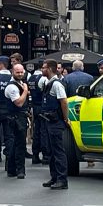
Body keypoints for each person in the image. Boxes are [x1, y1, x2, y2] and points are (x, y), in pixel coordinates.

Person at [39, 61, 71, 190]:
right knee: (51, 151)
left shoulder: (57, 84)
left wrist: (65, 118)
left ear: (50, 69)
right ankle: (54, 177)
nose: (42, 69)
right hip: (49, 120)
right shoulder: (48, 83)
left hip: (56, 121)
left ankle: (62, 179)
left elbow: (64, 102)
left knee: (58, 151)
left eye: (44, 67)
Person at [4, 64, 30, 179]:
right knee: (19, 144)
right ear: (12, 72)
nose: (20, 74)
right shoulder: (12, 87)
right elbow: (18, 103)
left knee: (16, 144)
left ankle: (12, 169)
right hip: (15, 118)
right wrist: (25, 91)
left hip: (20, 117)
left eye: (21, 72)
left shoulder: (19, 84)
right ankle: (20, 170)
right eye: (17, 72)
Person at [27, 61, 46, 166]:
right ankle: (45, 155)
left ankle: (35, 155)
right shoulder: (42, 79)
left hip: (34, 106)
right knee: (44, 131)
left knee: (36, 131)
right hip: (42, 106)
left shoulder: (31, 78)